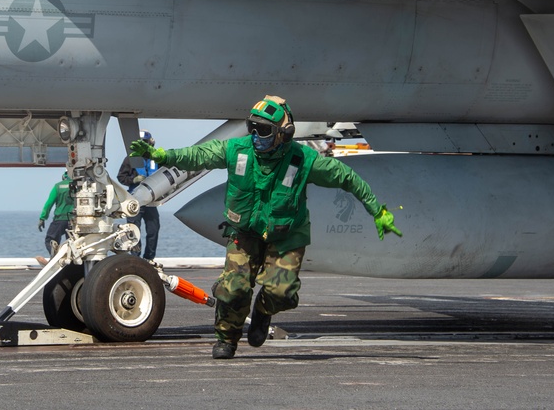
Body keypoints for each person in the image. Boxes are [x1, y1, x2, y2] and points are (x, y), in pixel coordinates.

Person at [129, 95, 402, 360]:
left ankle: (263, 309)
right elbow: (197, 156)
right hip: (245, 232)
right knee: (233, 289)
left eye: (264, 130)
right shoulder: (236, 150)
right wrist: (162, 155)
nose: (256, 135)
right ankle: (227, 339)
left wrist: (377, 210)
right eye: (253, 128)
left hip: (287, 234)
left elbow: (347, 178)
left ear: (285, 132)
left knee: (282, 292)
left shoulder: (304, 160)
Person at [116, 129, 160, 261]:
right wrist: (133, 180)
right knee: (134, 230)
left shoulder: (156, 159)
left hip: (152, 201)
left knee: (154, 229)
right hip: (134, 201)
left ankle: (149, 258)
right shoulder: (130, 159)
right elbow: (121, 177)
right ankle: (135, 258)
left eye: (145, 142)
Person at [38, 172, 73, 257]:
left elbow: (49, 203)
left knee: (50, 240)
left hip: (60, 219)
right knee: (73, 243)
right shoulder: (78, 186)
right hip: (74, 220)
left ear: (63, 177)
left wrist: (42, 218)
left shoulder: (58, 186)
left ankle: (55, 257)